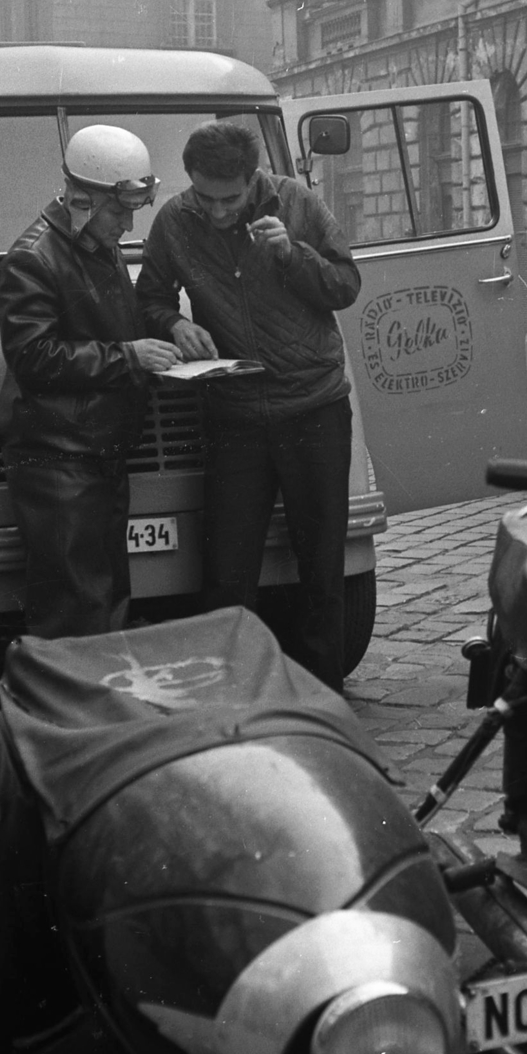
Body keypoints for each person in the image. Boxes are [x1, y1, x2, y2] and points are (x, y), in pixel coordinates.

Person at [135, 121, 361, 691]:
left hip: (313, 407)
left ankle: (322, 698)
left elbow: (345, 285)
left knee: (322, 567)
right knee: (227, 572)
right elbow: (151, 297)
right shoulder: (174, 220)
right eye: (204, 197)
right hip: (234, 414)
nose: (216, 211)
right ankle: (233, 699)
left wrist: (292, 254)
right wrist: (175, 323)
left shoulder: (296, 202)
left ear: (253, 178)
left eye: (230, 200)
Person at [0, 124, 181, 638]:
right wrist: (130, 357)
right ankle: (74, 687)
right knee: (76, 604)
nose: (127, 223)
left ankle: (98, 685)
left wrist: (166, 341)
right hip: (59, 458)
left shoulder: (95, 243)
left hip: (92, 450)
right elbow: (33, 357)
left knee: (104, 595)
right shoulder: (32, 260)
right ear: (82, 200)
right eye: (119, 212)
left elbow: (110, 327)